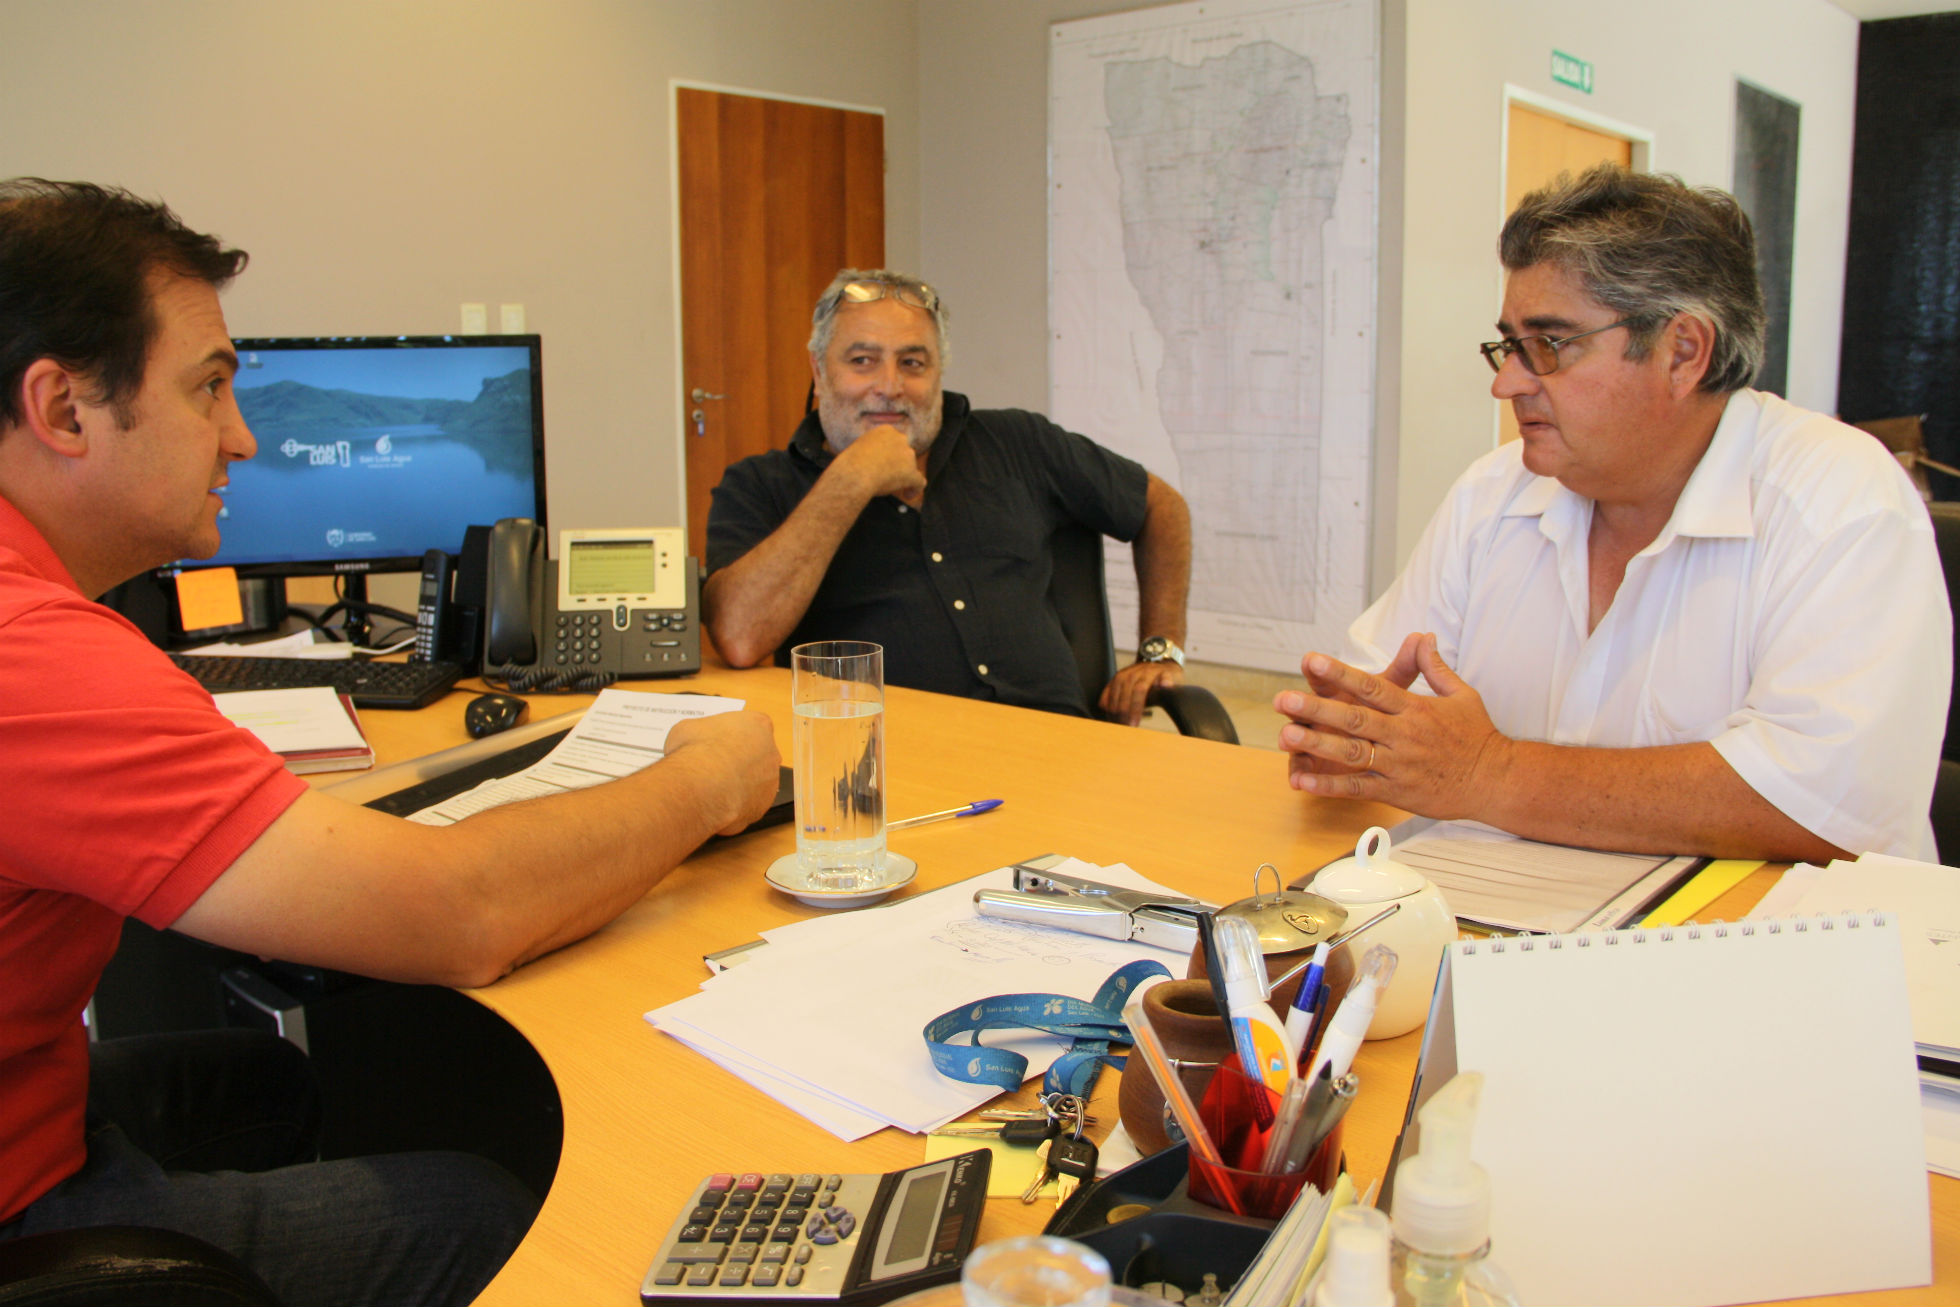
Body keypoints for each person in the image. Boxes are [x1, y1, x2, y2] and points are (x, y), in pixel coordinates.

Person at [0, 180, 782, 1306]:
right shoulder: (40, 657)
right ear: (64, 409)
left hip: (40, 1095)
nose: (244, 435)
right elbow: (456, 914)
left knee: (272, 1081)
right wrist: (704, 782)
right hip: (25, 1205)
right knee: (472, 1208)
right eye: (210, 386)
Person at [1276, 164, 1950, 862]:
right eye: (1509, 344)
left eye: (1549, 345)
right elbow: (1368, 718)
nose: (1507, 382)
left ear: (1683, 351)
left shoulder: (1843, 502)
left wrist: (1487, 772)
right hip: (1508, 925)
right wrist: (1346, 735)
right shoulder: (1492, 496)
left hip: (1761, 947)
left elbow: (1823, 806)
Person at [703, 268, 1193, 725]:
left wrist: (1161, 650)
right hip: (894, 763)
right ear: (818, 368)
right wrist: (850, 479)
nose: (890, 387)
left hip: (1058, 748)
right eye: (862, 361)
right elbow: (741, 638)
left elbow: (1161, 506)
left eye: (912, 363)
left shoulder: (1019, 441)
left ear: (938, 372)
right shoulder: (759, 485)